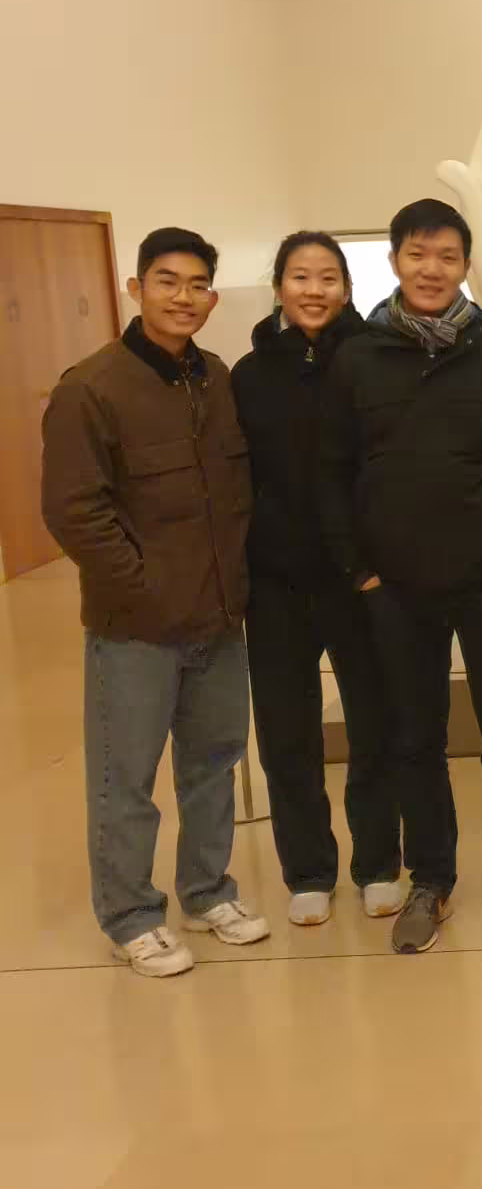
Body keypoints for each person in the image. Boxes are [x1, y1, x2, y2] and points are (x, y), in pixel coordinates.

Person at [320, 199, 482, 954]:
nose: (432, 269)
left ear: (466, 267)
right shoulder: (356, 357)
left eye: (448, 257)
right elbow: (330, 473)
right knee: (412, 738)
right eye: (418, 254)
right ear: (394, 261)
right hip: (393, 588)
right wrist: (360, 572)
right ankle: (431, 877)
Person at [41, 227, 269, 977]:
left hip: (219, 616)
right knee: (125, 778)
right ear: (136, 289)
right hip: (135, 627)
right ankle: (131, 916)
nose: (185, 296)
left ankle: (207, 893)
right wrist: (143, 591)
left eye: (199, 283)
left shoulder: (218, 377)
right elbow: (76, 512)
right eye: (168, 281)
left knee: (212, 763)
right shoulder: (92, 387)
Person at [231, 232, 403, 928]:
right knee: (286, 729)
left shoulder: (374, 362)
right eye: (299, 276)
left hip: (359, 578)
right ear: (277, 287)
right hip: (274, 582)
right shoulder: (245, 375)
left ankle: (378, 864)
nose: (314, 289)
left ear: (348, 287)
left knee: (374, 723)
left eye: (328, 277)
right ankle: (307, 869)